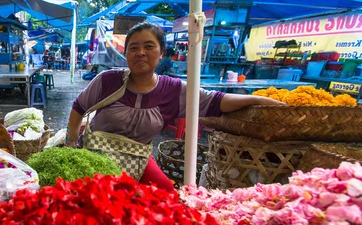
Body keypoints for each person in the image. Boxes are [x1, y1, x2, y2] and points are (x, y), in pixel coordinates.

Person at [65, 22, 284, 191]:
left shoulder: (174, 90)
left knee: (167, 193)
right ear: (126, 54)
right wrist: (72, 142)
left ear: (161, 53)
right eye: (134, 48)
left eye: (149, 46)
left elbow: (217, 101)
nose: (140, 52)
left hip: (137, 157)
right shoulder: (107, 80)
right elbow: (79, 106)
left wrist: (256, 99)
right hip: (96, 153)